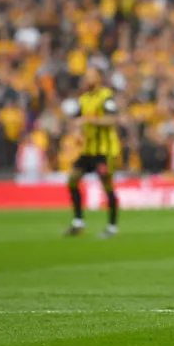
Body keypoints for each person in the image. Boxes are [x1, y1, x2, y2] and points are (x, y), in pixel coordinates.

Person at [64, 67, 121, 239]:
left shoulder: (106, 96)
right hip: (88, 150)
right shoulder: (83, 99)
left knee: (107, 185)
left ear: (98, 78)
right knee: (72, 179)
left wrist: (89, 120)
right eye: (86, 75)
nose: (86, 79)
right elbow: (75, 121)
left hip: (104, 151)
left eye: (90, 75)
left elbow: (112, 119)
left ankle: (112, 227)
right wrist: (76, 131)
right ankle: (78, 222)